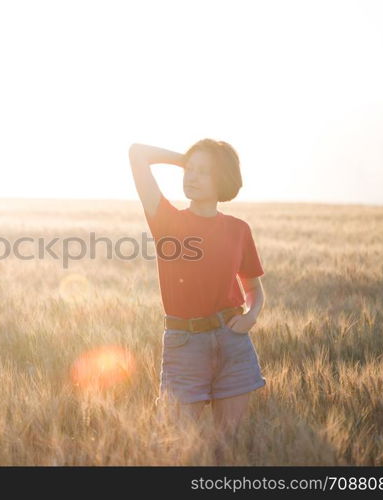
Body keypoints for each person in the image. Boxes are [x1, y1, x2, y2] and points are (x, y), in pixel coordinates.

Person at [128, 139, 267, 462]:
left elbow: (254, 289)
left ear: (222, 179)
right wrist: (186, 159)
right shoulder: (166, 219)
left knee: (225, 447)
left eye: (203, 172)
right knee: (177, 446)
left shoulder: (238, 230)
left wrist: (251, 315)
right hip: (184, 343)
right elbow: (138, 153)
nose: (191, 176)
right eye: (190, 171)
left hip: (233, 341)